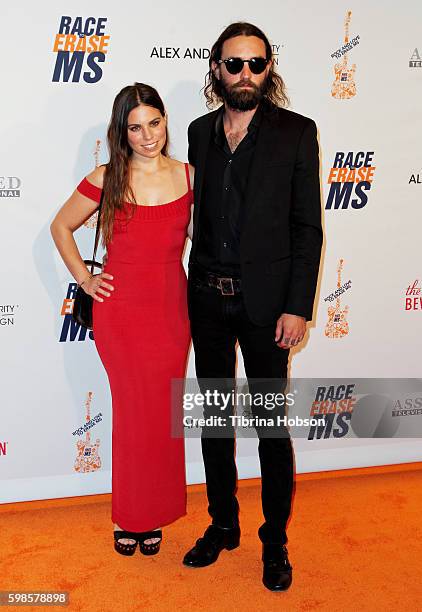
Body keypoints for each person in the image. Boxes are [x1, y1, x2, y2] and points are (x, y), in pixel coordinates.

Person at [182, 23, 323, 591]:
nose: (245, 74)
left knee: (269, 427)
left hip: (269, 308)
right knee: (215, 422)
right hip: (207, 301)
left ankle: (274, 539)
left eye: (256, 64)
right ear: (215, 67)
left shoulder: (296, 133)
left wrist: (298, 306)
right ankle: (222, 524)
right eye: (233, 63)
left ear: (270, 69)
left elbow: (307, 228)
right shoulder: (195, 133)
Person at [51, 83, 194, 556]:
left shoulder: (192, 177)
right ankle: (130, 516)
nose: (147, 135)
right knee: (133, 413)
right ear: (122, 132)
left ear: (166, 121)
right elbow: (60, 226)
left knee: (161, 414)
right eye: (135, 127)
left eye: (154, 123)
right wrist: (84, 279)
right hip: (122, 314)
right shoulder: (107, 176)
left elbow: (206, 240)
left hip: (172, 310)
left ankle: (153, 511)